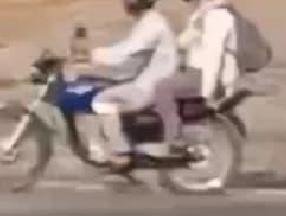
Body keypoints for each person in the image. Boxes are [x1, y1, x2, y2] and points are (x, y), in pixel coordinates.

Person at [86, 0, 179, 167]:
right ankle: (124, 140)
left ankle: (120, 152)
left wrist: (92, 56)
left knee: (101, 100)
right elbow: (128, 52)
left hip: (150, 87)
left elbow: (125, 54)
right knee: (106, 87)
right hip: (150, 81)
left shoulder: (152, 25)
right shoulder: (148, 21)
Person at [154, 0, 240, 153]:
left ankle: (174, 138)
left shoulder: (218, 17)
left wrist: (206, 93)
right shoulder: (203, 13)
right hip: (198, 73)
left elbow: (214, 56)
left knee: (162, 88)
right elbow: (186, 41)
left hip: (206, 78)